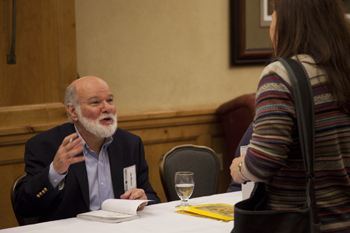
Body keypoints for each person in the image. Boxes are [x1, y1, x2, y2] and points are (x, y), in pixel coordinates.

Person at [230, 0, 350, 232]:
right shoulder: (343, 69)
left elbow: (265, 161)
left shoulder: (281, 75)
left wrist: (240, 169)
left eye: (275, 13)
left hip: (304, 221)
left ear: (288, 22)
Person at [14, 76, 161, 223]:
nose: (107, 108)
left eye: (109, 100)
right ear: (73, 111)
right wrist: (55, 171)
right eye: (95, 102)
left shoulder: (130, 143)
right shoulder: (45, 146)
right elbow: (25, 208)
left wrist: (142, 199)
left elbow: (152, 197)